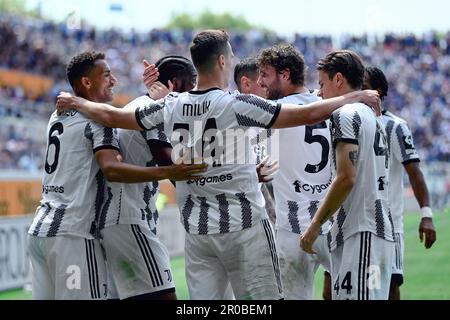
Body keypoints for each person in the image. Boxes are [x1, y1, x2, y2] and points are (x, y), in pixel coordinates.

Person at [56, 30, 380, 300]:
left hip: (198, 233)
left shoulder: (171, 106)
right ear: (223, 61)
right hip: (245, 228)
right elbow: (307, 113)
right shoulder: (237, 104)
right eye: (233, 58)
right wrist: (354, 96)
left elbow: (116, 116)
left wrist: (75, 101)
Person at [27, 51, 206, 300]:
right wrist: (171, 170)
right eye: (107, 75)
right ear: (87, 82)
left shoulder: (58, 115)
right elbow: (112, 168)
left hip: (41, 229)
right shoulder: (100, 119)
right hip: (75, 233)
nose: (115, 81)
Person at [100, 55, 203, 300]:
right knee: (165, 295)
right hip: (128, 218)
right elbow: (173, 167)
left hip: (116, 219)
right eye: (192, 84)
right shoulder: (151, 111)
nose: (194, 92)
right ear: (176, 83)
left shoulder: (138, 105)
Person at [300, 50, 395, 300]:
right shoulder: (373, 117)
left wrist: (314, 225)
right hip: (371, 233)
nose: (319, 92)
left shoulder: (346, 114)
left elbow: (346, 178)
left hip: (361, 233)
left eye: (322, 84)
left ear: (339, 79)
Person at [256, 44, 332, 300]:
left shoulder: (271, 113)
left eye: (265, 74)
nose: (260, 82)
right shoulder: (328, 105)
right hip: (333, 222)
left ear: (285, 75)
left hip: (292, 229)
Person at [363, 66, 437, 300]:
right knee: (331, 291)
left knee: (384, 289)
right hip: (351, 225)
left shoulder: (395, 126)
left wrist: (426, 214)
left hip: (386, 226)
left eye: (363, 87)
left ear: (378, 91)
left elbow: (414, 172)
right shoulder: (345, 121)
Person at [233, 56, 277, 225]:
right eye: (261, 80)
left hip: (259, 211)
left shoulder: (262, 118)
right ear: (246, 84)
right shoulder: (230, 121)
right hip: (237, 220)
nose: (267, 86)